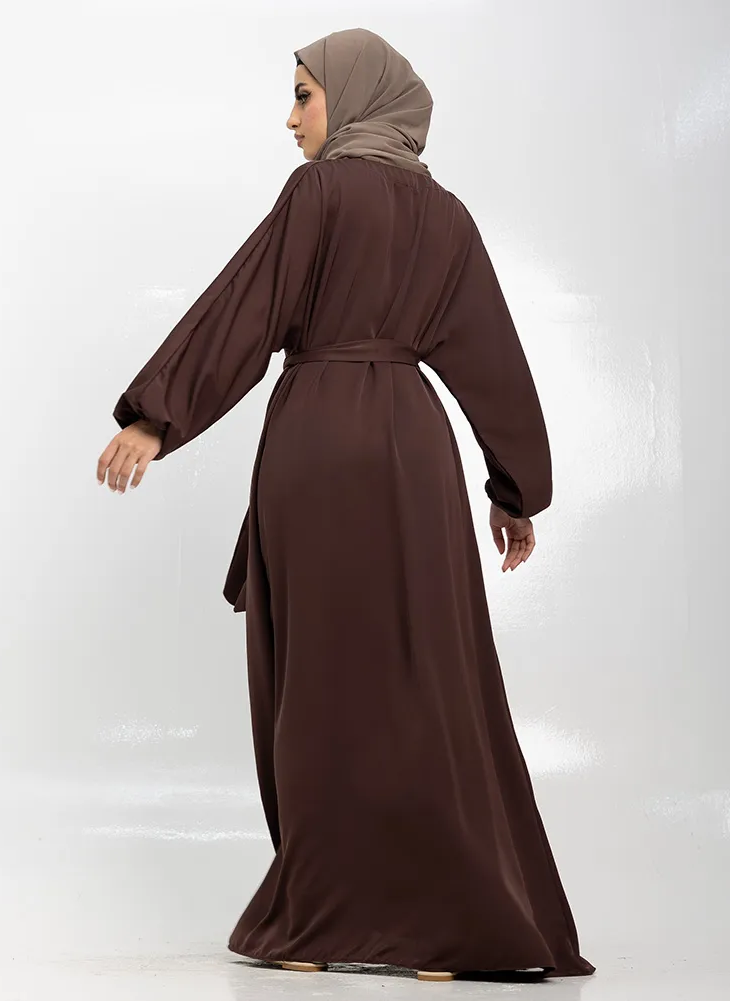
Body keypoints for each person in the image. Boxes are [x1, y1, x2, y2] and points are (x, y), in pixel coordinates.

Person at [97, 27, 595, 983]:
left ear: (355, 96)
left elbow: (244, 308)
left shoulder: (319, 193)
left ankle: (320, 922)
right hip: (414, 455)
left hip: (319, 444)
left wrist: (158, 417)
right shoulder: (447, 216)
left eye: (303, 95)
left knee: (320, 683)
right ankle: (450, 927)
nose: (290, 120)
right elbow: (493, 358)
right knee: (425, 681)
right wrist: (515, 489)